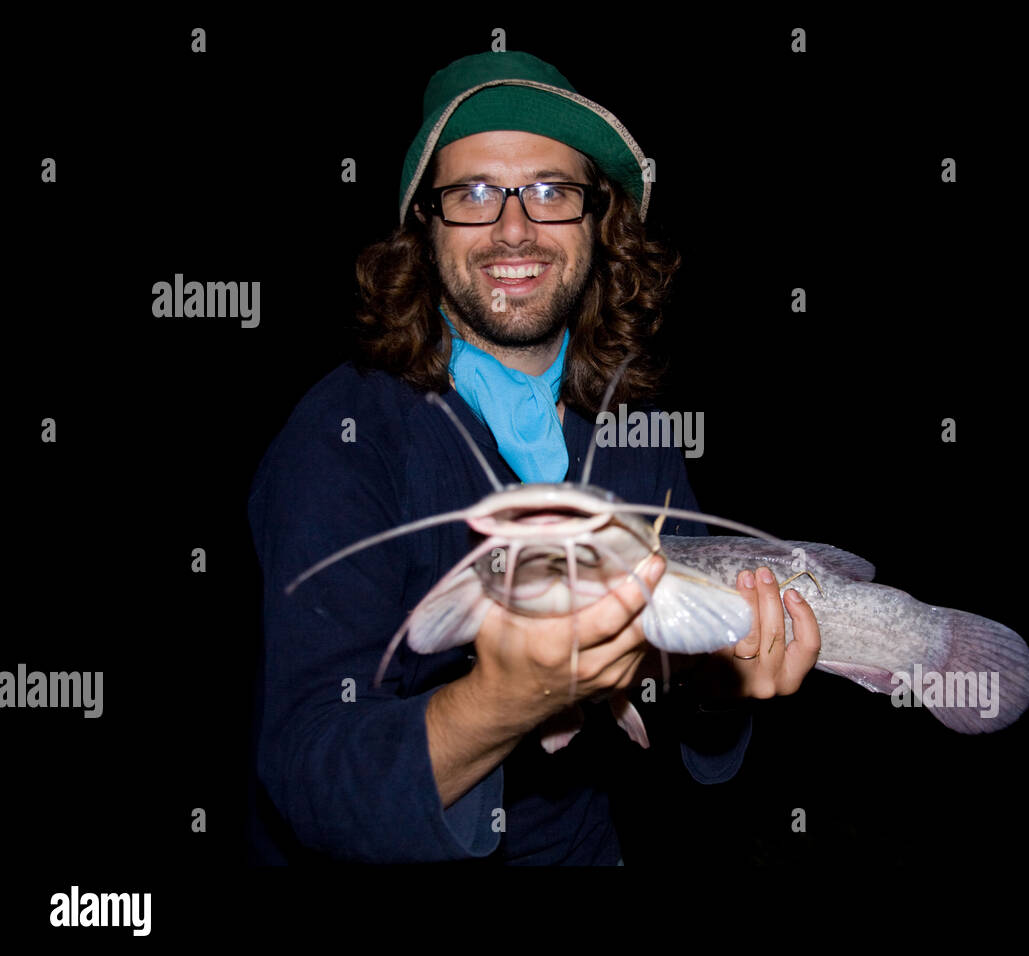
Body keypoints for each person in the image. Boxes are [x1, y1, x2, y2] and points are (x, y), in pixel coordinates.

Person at [247, 51, 821, 864]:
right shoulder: (339, 437)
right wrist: (501, 702)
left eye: (552, 191)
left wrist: (719, 689)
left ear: (598, 220)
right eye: (474, 193)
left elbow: (670, 690)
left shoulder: (634, 424)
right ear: (425, 224)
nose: (513, 228)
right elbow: (307, 774)